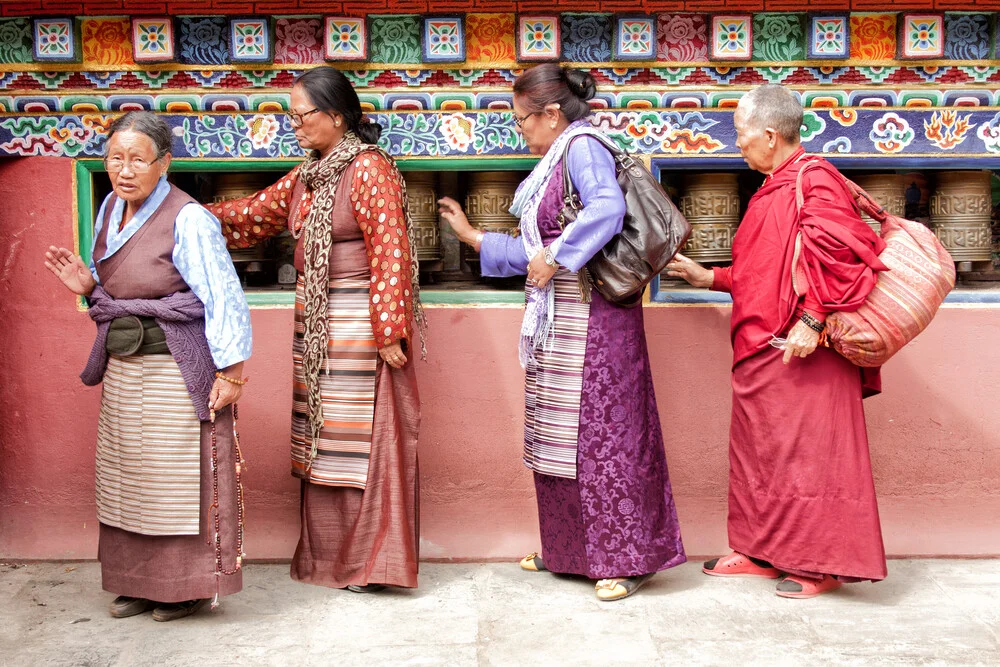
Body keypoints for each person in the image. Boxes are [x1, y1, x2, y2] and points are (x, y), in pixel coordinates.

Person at [438, 64, 685, 601]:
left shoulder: (582, 147)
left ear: (552, 113)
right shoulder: (558, 156)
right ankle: (571, 550)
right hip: (560, 319)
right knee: (559, 441)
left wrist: (556, 253)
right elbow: (534, 254)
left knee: (604, 438)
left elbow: (607, 209)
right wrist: (475, 238)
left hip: (597, 323)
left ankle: (625, 558)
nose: (519, 130)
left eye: (523, 119)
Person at [206, 66, 425, 593]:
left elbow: (390, 248)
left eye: (303, 114)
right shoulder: (310, 174)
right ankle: (330, 560)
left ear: (336, 114)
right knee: (322, 440)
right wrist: (187, 216)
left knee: (358, 441)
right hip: (318, 323)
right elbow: (253, 215)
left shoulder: (370, 168)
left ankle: (369, 562)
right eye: (292, 115)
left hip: (362, 326)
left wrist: (389, 329)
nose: (295, 125)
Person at [666, 83, 889, 599]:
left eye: (742, 135)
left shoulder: (815, 180)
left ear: (769, 134)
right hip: (761, 349)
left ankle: (818, 565)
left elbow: (842, 254)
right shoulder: (774, 184)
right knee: (759, 457)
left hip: (800, 347)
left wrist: (813, 320)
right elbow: (764, 268)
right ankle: (760, 551)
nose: (737, 145)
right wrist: (711, 278)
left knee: (810, 458)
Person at [43, 111, 252, 621]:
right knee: (127, 475)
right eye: (116, 158)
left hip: (174, 367)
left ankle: (187, 586)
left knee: (173, 478)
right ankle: (137, 581)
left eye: (138, 159)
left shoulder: (189, 218)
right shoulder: (110, 208)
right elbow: (117, 283)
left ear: (164, 164)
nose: (125, 169)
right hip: (124, 365)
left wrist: (231, 373)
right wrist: (89, 287)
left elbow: (224, 297)